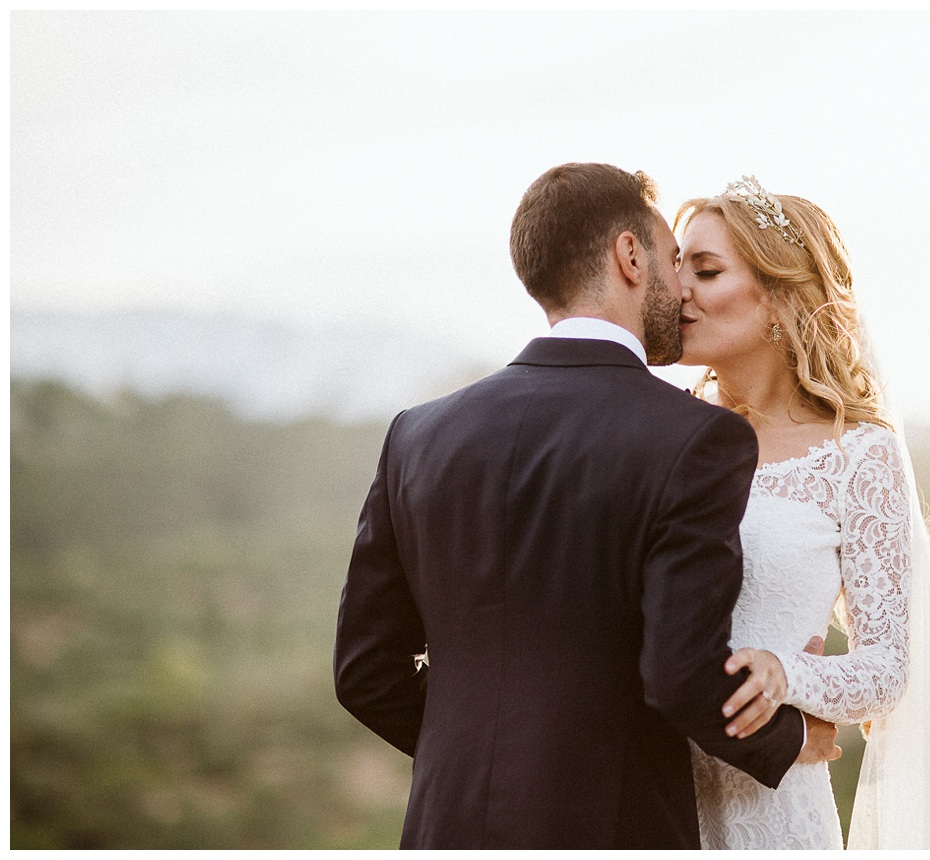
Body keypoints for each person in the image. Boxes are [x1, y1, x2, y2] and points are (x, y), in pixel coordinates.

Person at [333, 163, 837, 850]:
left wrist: (482, 757)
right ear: (630, 257)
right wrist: (792, 736)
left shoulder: (418, 435)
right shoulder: (694, 438)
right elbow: (678, 674)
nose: (681, 287)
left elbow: (364, 673)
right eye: (670, 258)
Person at [674, 176, 930, 849]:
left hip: (774, 813)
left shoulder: (857, 456)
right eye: (676, 266)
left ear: (777, 299)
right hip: (652, 800)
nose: (677, 288)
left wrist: (787, 673)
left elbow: (886, 669)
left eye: (705, 270)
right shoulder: (662, 435)